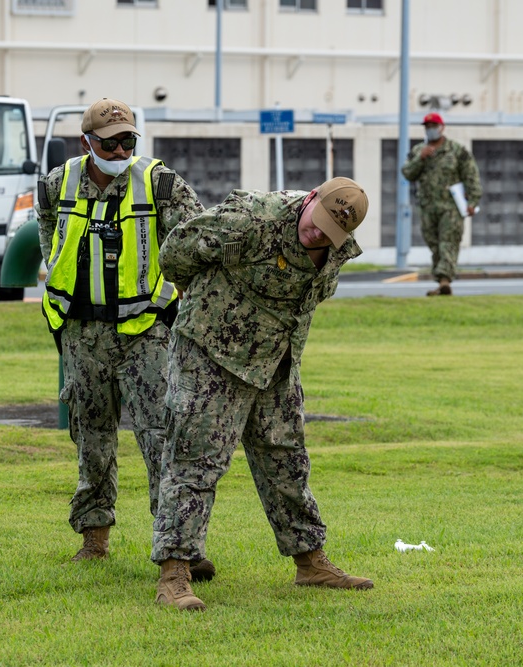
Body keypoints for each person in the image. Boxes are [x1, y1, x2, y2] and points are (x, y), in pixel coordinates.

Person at [150, 177, 375, 611]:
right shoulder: (250, 218)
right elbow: (176, 252)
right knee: (195, 460)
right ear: (310, 198)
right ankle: (174, 574)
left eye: (331, 232)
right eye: (318, 222)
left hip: (275, 360)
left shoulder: (337, 249)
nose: (318, 234)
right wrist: (201, 300)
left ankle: (310, 562)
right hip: (211, 353)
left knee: (286, 459)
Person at [36, 97, 215, 580]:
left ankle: (179, 548)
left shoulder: (158, 181)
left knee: (162, 436)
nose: (118, 150)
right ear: (86, 142)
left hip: (145, 331)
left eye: (127, 141)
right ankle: (94, 540)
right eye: (108, 142)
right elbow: (48, 231)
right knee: (91, 436)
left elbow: (196, 236)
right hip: (81, 331)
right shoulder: (57, 183)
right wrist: (53, 272)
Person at [401, 112, 482, 297]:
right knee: (434, 245)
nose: (430, 130)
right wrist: (420, 158)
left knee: (448, 242)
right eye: (427, 127)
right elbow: (407, 173)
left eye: (433, 126)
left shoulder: (457, 151)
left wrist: (473, 201)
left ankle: (445, 279)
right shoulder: (419, 150)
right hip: (428, 207)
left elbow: (471, 176)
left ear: (442, 127)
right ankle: (441, 283)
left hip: (451, 207)